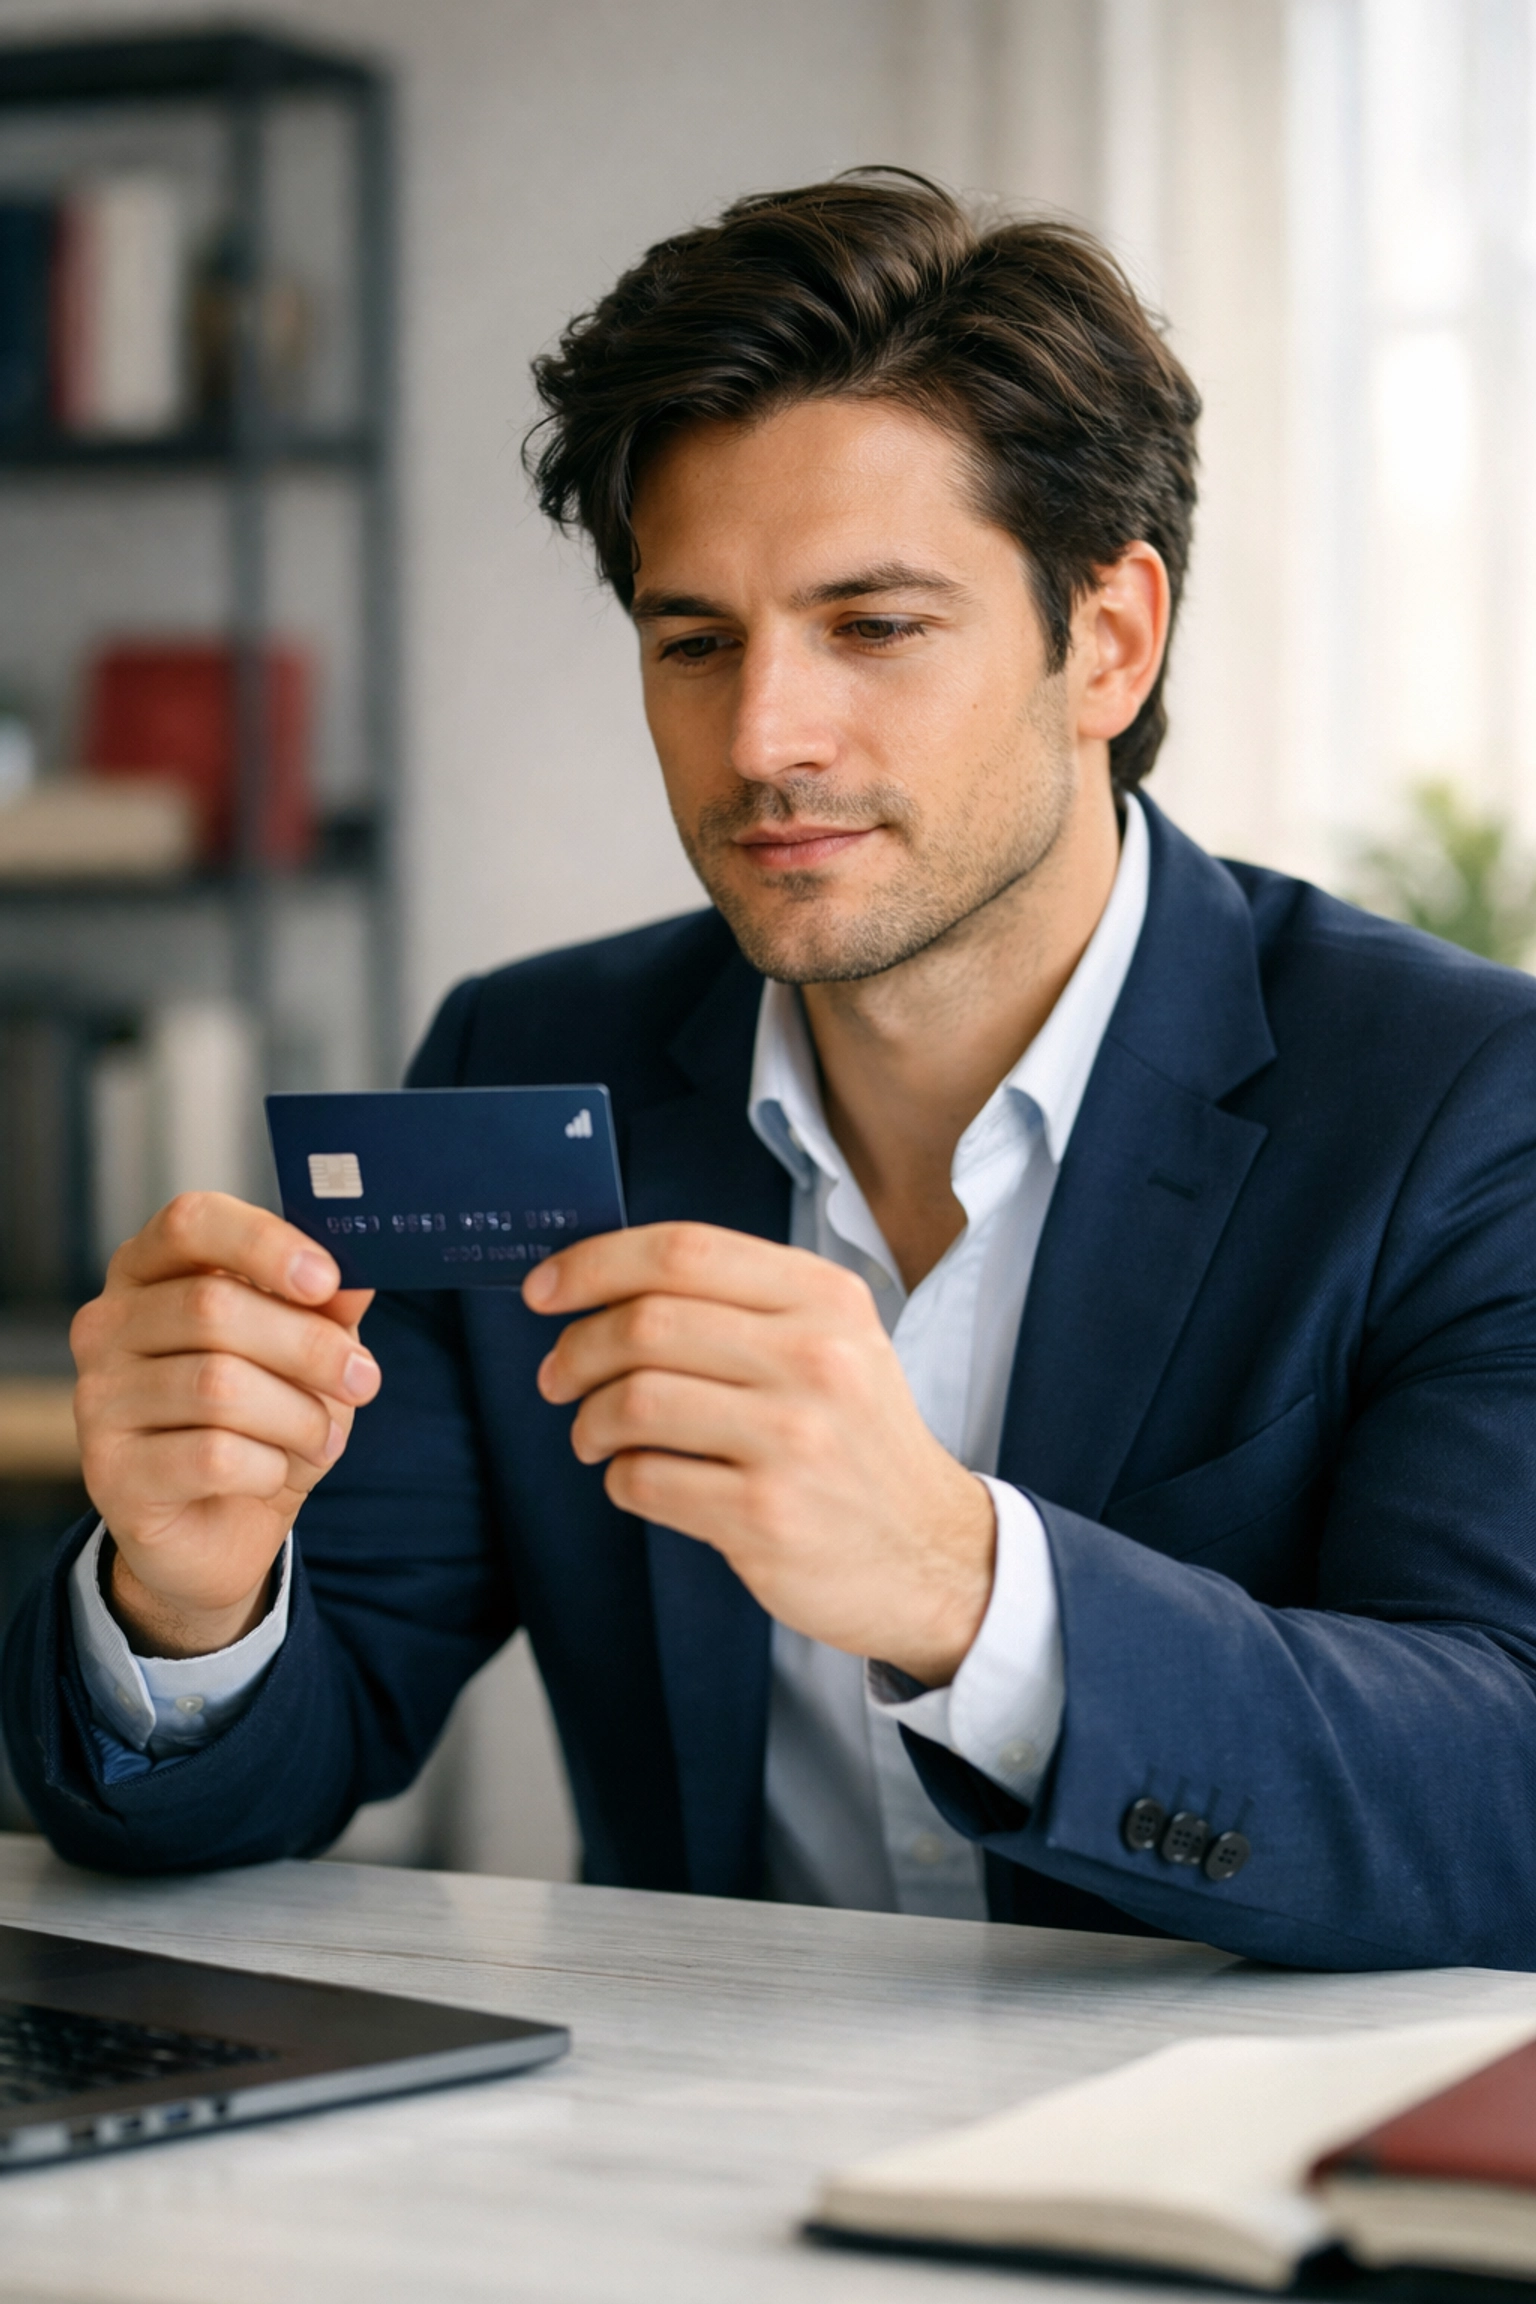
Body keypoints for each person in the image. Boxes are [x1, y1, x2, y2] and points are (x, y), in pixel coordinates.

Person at [9, 173, 1536, 1971]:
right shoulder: (519, 1061)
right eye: (695, 642)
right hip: (695, 2188)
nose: (762, 739)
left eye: (875, 627)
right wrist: (185, 1602)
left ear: (1108, 638)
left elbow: (1499, 1798)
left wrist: (969, 1593)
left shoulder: (1465, 1103)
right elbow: (266, 1765)